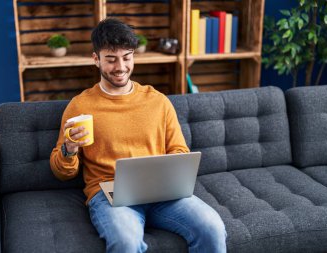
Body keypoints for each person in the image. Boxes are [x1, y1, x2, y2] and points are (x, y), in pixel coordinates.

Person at [50, 18, 227, 253]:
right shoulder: (80, 106)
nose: (120, 67)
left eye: (127, 57)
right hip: (109, 195)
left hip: (162, 192)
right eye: (111, 59)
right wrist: (69, 149)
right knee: (125, 243)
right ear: (96, 59)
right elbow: (61, 172)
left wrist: (171, 175)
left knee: (212, 227)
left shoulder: (158, 101)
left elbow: (179, 150)